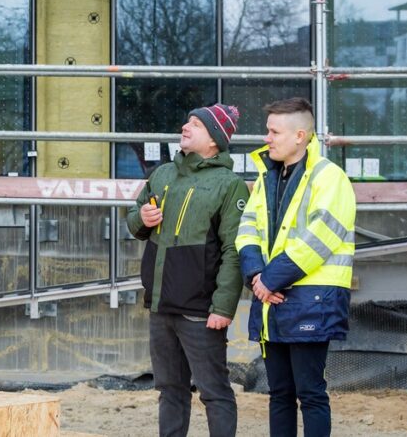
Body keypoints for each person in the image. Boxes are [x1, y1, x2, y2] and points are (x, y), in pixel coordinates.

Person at [235, 97, 356, 437]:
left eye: (274, 131)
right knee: (279, 394)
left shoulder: (329, 177)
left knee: (310, 393)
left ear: (300, 135)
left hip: (311, 299)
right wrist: (257, 276)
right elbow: (248, 229)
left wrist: (267, 280)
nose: (266, 138)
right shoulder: (267, 178)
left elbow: (323, 236)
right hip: (273, 297)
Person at [127, 104, 249, 437]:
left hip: (200, 311)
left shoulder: (229, 185)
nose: (185, 126)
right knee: (170, 390)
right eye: (187, 120)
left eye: (196, 124)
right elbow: (135, 216)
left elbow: (233, 250)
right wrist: (142, 220)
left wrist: (223, 307)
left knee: (215, 392)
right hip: (161, 305)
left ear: (215, 141)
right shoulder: (163, 174)